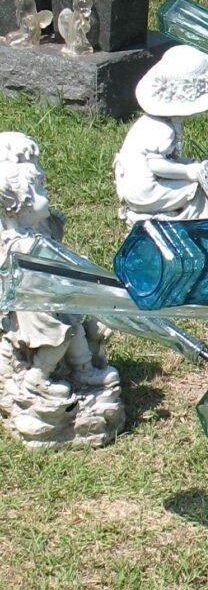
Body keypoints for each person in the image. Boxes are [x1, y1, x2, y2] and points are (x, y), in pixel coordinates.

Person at [0, 133, 118, 399]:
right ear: (22, 204)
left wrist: (54, 225)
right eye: (40, 190)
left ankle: (85, 369)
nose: (47, 194)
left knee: (73, 324)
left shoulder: (35, 229)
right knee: (58, 337)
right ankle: (37, 378)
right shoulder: (19, 243)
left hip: (52, 296)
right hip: (34, 306)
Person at [113, 45, 208, 226]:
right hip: (145, 192)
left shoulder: (151, 123)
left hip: (134, 186)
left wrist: (185, 165)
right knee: (196, 190)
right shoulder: (163, 130)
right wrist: (189, 172)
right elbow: (157, 165)